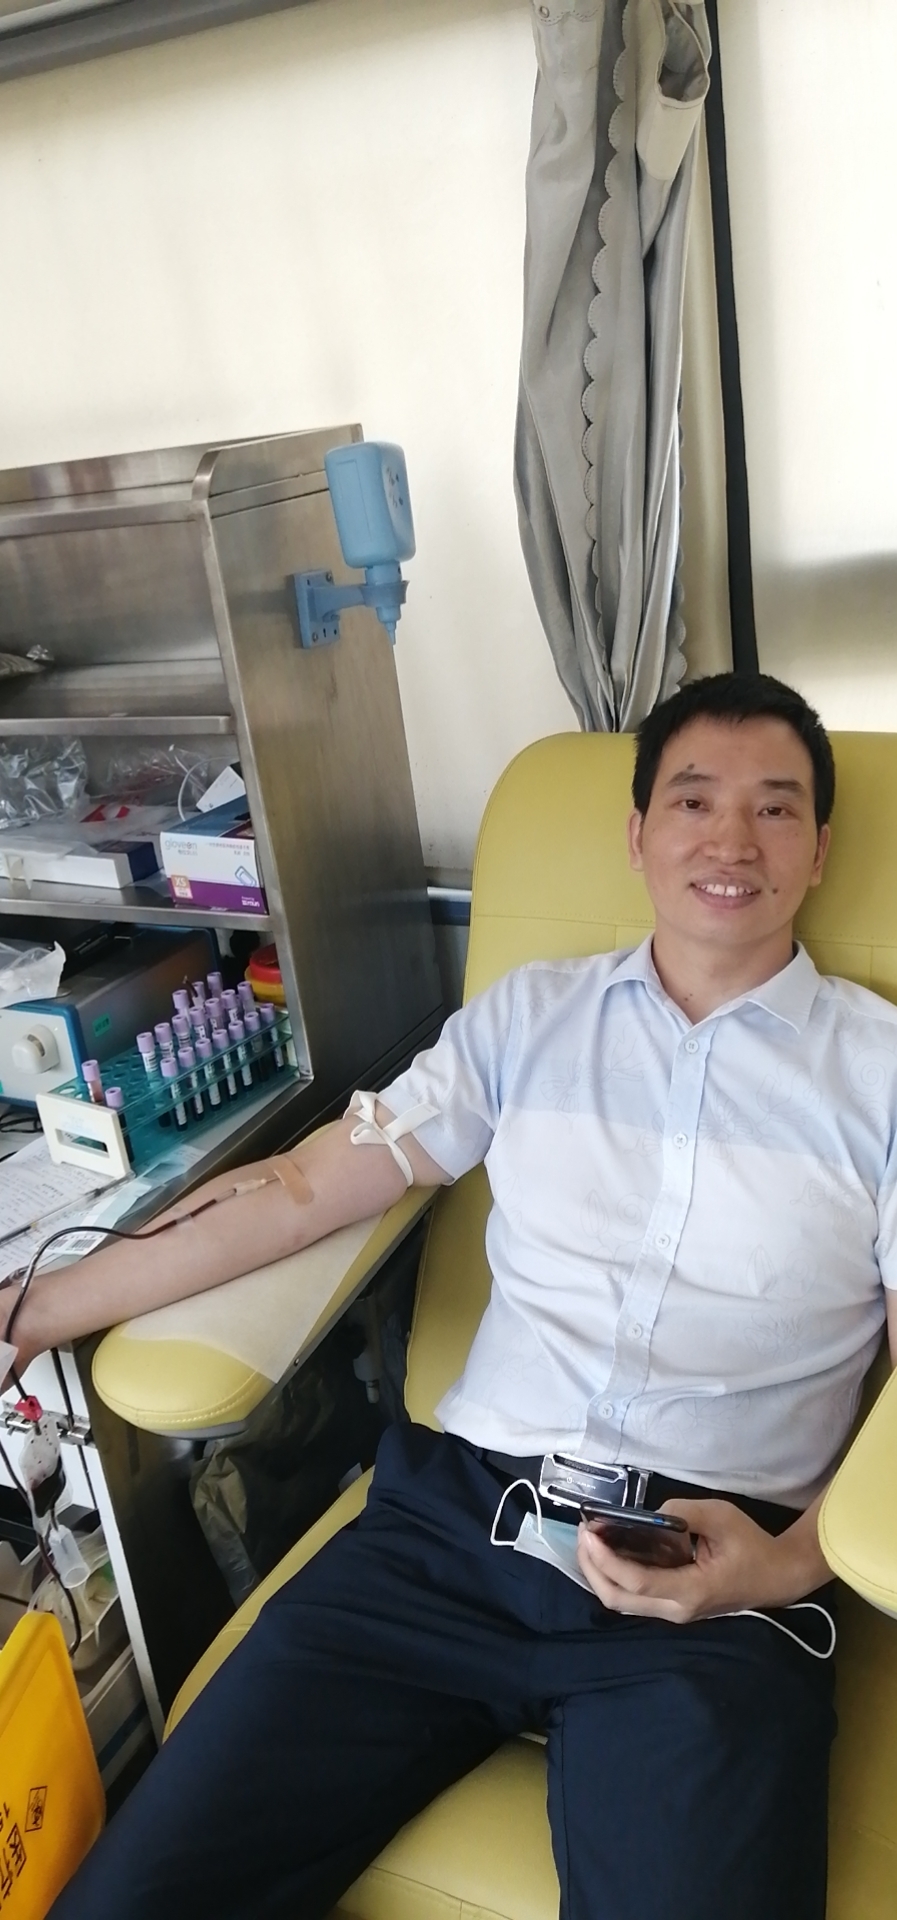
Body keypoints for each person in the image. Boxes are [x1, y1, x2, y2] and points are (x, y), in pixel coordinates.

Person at [6, 671, 896, 1920]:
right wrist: (34, 1309)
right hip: (448, 1540)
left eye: (776, 809)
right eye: (694, 801)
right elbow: (302, 1191)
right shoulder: (530, 1018)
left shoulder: (880, 1074)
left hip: (712, 1585)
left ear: (819, 851)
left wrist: (788, 1567)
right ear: (638, 835)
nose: (731, 840)